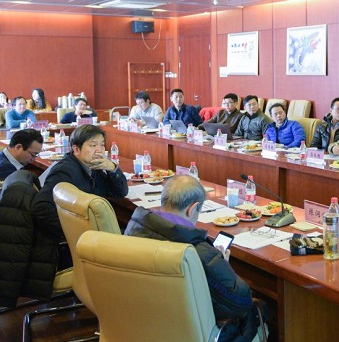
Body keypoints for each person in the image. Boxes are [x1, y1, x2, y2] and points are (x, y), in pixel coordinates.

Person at [125, 175, 263, 342]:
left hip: (138, 323)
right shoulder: (198, 251)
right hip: (187, 331)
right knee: (259, 311)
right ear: (192, 208)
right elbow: (240, 301)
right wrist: (224, 266)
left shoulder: (134, 226)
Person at [34, 125, 128, 243]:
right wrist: (76, 232)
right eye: (93, 145)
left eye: (102, 145)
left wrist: (113, 168)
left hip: (90, 233)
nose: (99, 150)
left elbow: (119, 192)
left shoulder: (93, 167)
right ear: (76, 149)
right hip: (75, 241)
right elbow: (41, 208)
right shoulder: (64, 172)